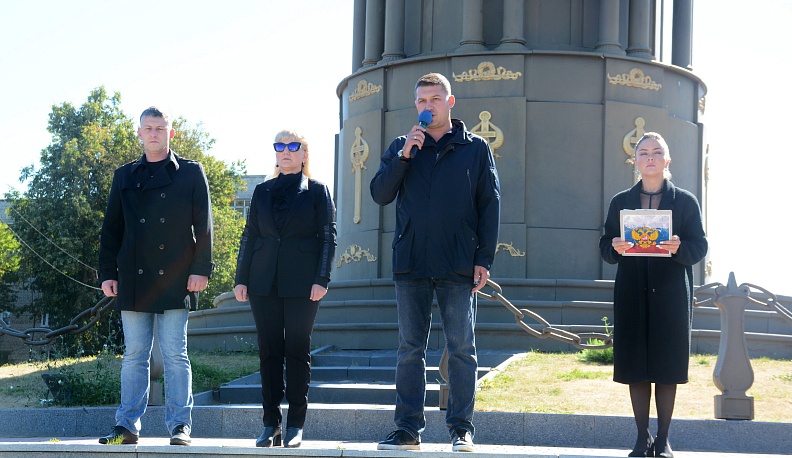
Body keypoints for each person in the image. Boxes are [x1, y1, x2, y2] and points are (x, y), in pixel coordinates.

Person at [370, 73, 501, 453]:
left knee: (462, 348)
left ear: (450, 102)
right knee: (410, 349)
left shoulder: (475, 149)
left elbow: (489, 204)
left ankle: (461, 429)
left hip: (457, 263)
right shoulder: (401, 146)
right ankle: (407, 430)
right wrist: (404, 156)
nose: (428, 107)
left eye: (435, 99)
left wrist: (484, 258)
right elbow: (380, 193)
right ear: (416, 106)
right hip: (411, 261)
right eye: (422, 101)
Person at [98, 106, 214, 446]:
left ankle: (180, 426)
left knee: (175, 352)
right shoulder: (124, 176)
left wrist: (201, 269)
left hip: (178, 277)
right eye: (148, 128)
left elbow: (204, 226)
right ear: (139, 133)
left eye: (160, 128)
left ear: (170, 133)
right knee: (134, 354)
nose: (153, 133)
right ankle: (127, 426)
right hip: (134, 277)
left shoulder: (191, 172)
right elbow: (111, 230)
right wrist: (107, 273)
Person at [599, 132, 708, 458]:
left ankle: (664, 440)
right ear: (634, 161)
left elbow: (700, 245)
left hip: (671, 294)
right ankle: (642, 437)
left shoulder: (686, 201)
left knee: (666, 365)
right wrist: (615, 247)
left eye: (656, 152)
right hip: (633, 292)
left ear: (667, 160)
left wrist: (680, 248)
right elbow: (606, 245)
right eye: (643, 152)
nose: (650, 157)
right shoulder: (620, 201)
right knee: (636, 365)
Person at [233, 129, 336, 449]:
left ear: (305, 154)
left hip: (303, 285)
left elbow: (328, 237)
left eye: (294, 146)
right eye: (280, 146)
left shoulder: (317, 191)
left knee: (296, 351)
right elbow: (250, 236)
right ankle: (270, 424)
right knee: (268, 352)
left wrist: (322, 279)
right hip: (263, 283)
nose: (286, 151)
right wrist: (241, 277)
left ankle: (295, 425)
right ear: (275, 153)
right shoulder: (262, 192)